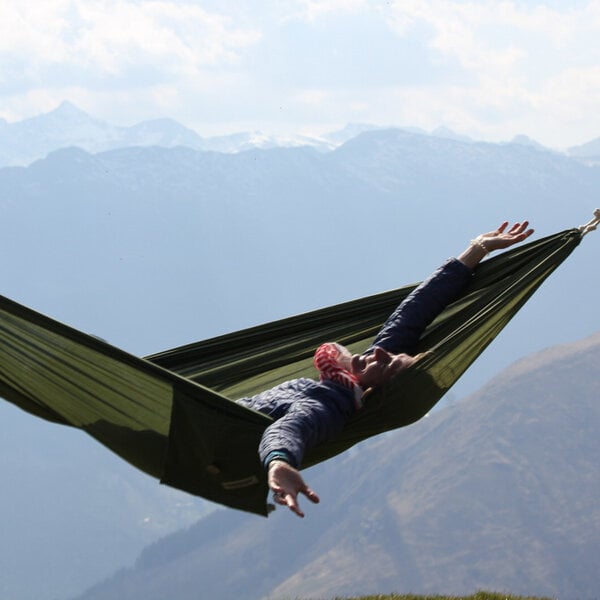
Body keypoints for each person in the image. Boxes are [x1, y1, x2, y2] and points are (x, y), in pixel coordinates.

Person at [236, 221, 534, 517]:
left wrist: (279, 462)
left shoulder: (333, 403)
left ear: (376, 391)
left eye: (387, 363)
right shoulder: (351, 374)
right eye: (387, 354)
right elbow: (414, 312)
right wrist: (477, 249)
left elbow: (293, 428)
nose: (377, 352)